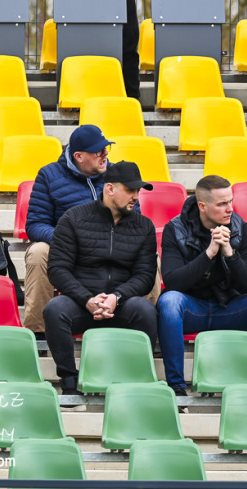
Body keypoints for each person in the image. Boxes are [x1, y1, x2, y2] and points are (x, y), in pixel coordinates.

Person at [156, 175, 247, 397]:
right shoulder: (175, 229)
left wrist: (230, 254)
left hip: (232, 308)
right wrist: (209, 253)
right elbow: (174, 281)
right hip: (193, 308)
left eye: (231, 201)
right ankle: (176, 387)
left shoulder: (241, 228)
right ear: (202, 206)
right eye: (222, 204)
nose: (230, 208)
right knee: (169, 301)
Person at [43, 161, 159, 396]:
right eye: (130, 190)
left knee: (146, 310)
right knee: (55, 309)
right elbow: (57, 269)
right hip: (82, 303)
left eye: (138, 191)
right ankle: (69, 382)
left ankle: (135, 381)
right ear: (109, 189)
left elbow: (145, 276)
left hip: (122, 304)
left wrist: (117, 296)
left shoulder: (144, 226)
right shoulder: (74, 219)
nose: (136, 196)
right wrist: (87, 299)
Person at [25, 125, 113, 336]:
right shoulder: (49, 175)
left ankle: (146, 329)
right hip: (69, 251)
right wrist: (66, 238)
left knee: (150, 254)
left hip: (112, 247)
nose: (105, 154)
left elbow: (135, 219)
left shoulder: (117, 173)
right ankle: (38, 333)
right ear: (79, 156)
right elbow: (35, 224)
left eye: (106, 148)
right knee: (38, 252)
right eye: (98, 151)